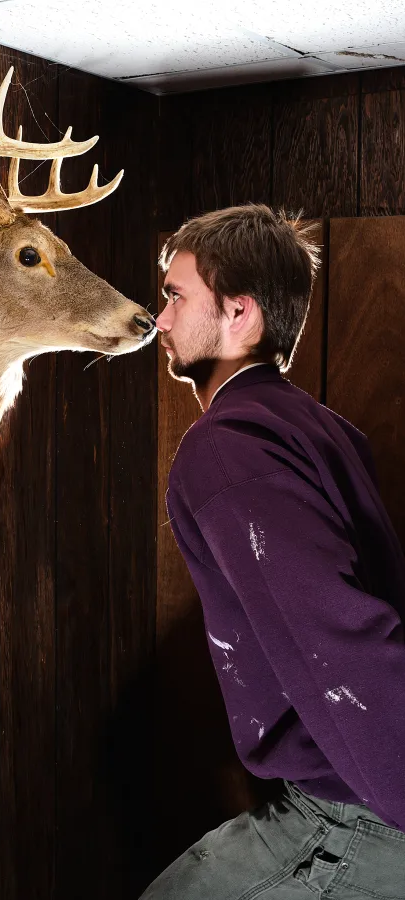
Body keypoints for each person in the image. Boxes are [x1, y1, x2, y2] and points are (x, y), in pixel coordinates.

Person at [143, 204, 405, 899]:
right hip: (340, 797)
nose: (159, 320)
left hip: (351, 816)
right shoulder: (321, 429)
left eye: (175, 296)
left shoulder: (225, 447)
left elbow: (337, 636)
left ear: (239, 315)